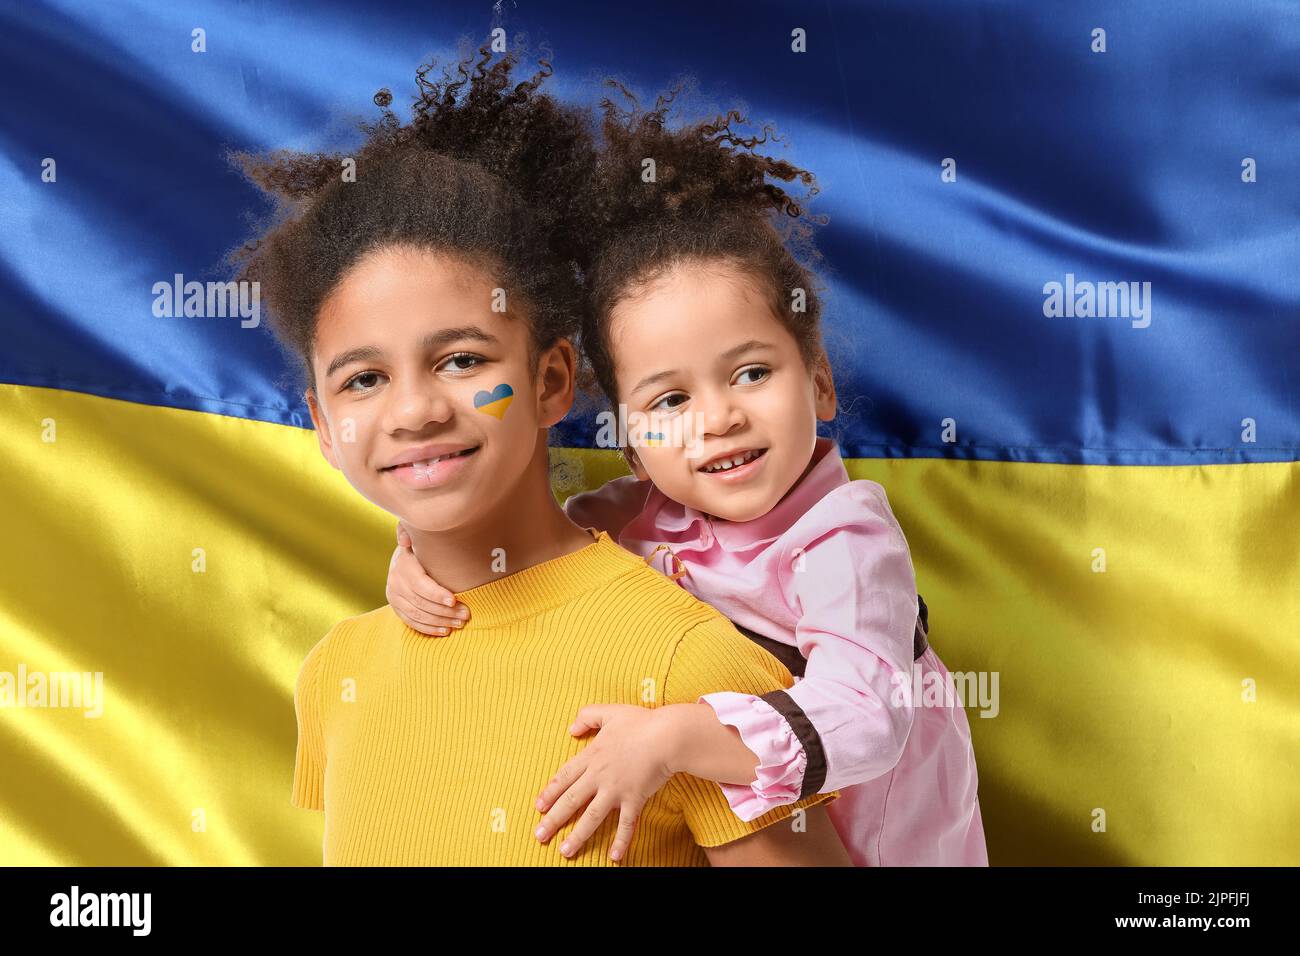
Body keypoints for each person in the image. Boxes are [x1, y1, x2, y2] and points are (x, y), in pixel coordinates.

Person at [230, 45, 848, 866]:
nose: (414, 410)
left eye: (462, 360)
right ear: (323, 425)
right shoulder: (334, 676)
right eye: (364, 378)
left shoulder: (692, 667)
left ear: (552, 379)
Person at [387, 80, 987, 866]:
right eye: (670, 399)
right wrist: (413, 561)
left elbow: (869, 716)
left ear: (820, 382)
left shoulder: (843, 539)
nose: (717, 418)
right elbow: (525, 553)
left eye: (749, 374)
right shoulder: (638, 513)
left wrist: (673, 739)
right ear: (635, 446)